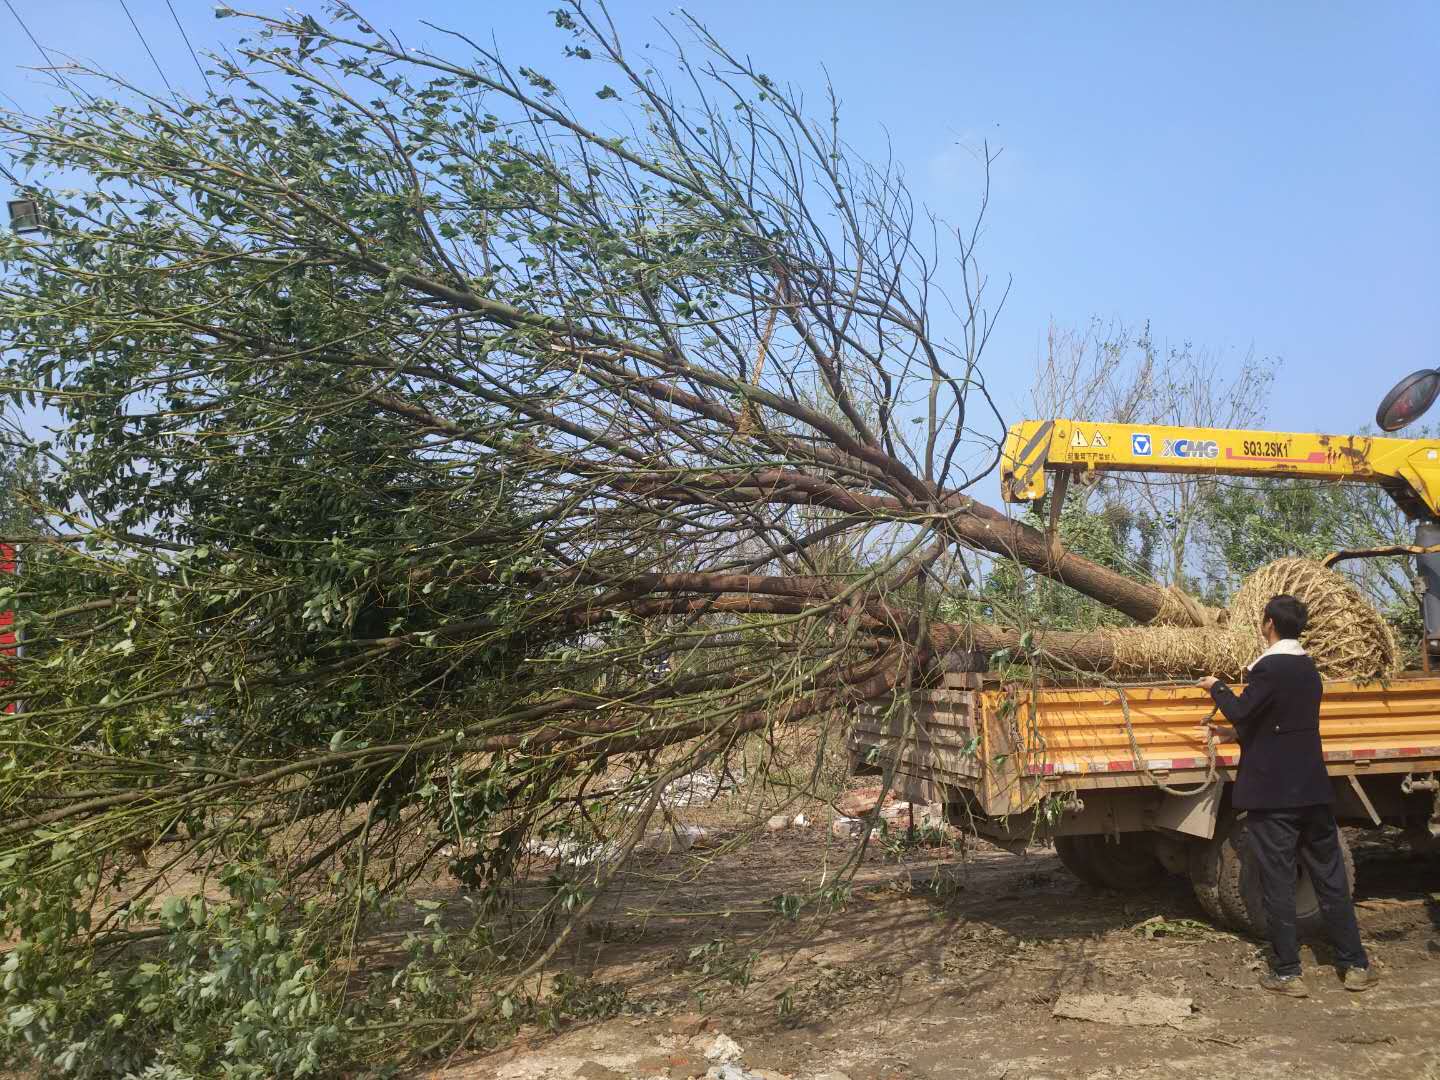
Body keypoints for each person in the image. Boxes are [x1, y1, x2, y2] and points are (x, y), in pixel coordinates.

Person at [1197, 593, 1376, 998]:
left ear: (1268, 625)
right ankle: (1355, 966)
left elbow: (1243, 710)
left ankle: (1287, 972)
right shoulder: (1308, 669)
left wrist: (1216, 687)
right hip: (1312, 790)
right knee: (1331, 879)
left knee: (1277, 881)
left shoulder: (1269, 668)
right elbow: (1280, 722)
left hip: (1272, 795)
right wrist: (1235, 735)